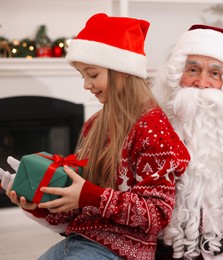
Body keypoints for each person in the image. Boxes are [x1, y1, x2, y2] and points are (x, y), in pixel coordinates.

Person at [0, 13, 190, 260]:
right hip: (80, 241)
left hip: (120, 251)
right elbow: (77, 207)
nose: (86, 85)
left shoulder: (153, 128)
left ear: (122, 71)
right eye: (83, 76)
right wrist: (37, 204)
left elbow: (157, 213)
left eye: (92, 74)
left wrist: (91, 195)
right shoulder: (94, 126)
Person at [152, 24, 223, 259]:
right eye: (193, 70)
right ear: (176, 75)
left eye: (214, 73)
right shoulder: (152, 130)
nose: (202, 82)